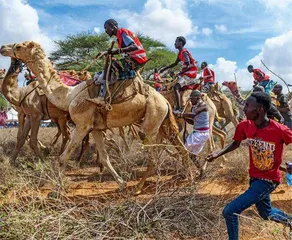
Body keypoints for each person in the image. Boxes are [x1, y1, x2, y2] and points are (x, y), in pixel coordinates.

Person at [206, 91, 292, 240]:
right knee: (267, 213)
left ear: (259, 109)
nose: (244, 109)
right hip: (254, 178)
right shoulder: (244, 126)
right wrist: (218, 154)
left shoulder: (279, 130)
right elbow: (236, 143)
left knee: (230, 211)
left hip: (269, 181)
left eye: (247, 105)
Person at [160, 36, 198, 112]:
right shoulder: (180, 53)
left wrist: (180, 73)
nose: (174, 43)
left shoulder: (184, 52)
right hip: (186, 73)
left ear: (181, 43)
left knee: (175, 87)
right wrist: (164, 68)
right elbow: (175, 63)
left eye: (176, 41)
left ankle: (179, 108)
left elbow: (188, 65)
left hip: (190, 73)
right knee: (172, 87)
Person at [175, 90, 209, 167]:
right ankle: (201, 171)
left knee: (184, 151)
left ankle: (183, 173)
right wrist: (183, 117)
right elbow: (193, 122)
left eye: (192, 99)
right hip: (197, 133)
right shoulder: (194, 107)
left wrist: (181, 114)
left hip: (201, 134)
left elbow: (193, 115)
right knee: (191, 155)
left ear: (198, 98)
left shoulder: (203, 106)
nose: (191, 101)